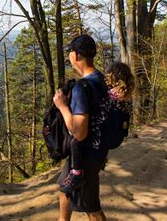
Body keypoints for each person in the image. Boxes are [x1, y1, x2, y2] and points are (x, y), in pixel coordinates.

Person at [53, 34, 108, 221]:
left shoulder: (81, 87)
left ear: (76, 56)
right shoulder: (102, 79)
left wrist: (62, 107)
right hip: (98, 149)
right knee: (65, 188)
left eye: (70, 52)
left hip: (85, 155)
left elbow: (79, 131)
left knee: (90, 206)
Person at [59, 61, 135, 194]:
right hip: (109, 140)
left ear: (112, 77)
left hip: (96, 138)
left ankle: (76, 174)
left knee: (75, 143)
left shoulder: (109, 96)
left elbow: (99, 113)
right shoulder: (125, 98)